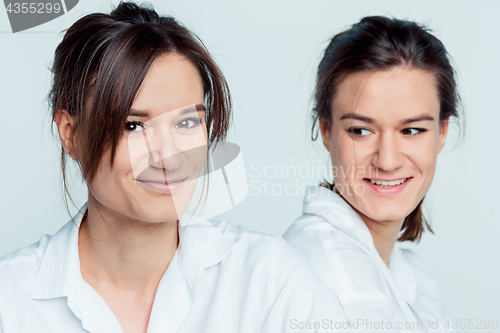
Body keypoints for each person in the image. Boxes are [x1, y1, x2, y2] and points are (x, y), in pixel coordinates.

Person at [0, 2, 348, 332]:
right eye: (132, 125)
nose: (168, 157)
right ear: (70, 134)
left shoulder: (267, 279)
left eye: (186, 123)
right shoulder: (11, 300)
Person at [283, 16, 460, 333]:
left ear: (442, 131)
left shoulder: (410, 275)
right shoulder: (330, 278)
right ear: (326, 130)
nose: (388, 160)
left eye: (412, 130)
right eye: (361, 130)